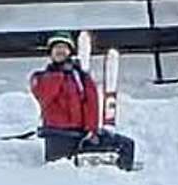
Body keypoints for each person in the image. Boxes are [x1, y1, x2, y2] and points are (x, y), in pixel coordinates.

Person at [29, 33, 136, 171]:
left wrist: (92, 131)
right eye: (56, 48)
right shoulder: (41, 78)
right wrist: (60, 73)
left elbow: (91, 104)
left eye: (64, 47)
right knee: (62, 170)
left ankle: (124, 177)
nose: (60, 51)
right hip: (58, 136)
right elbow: (45, 94)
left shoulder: (80, 76)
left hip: (82, 135)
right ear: (50, 53)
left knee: (126, 145)